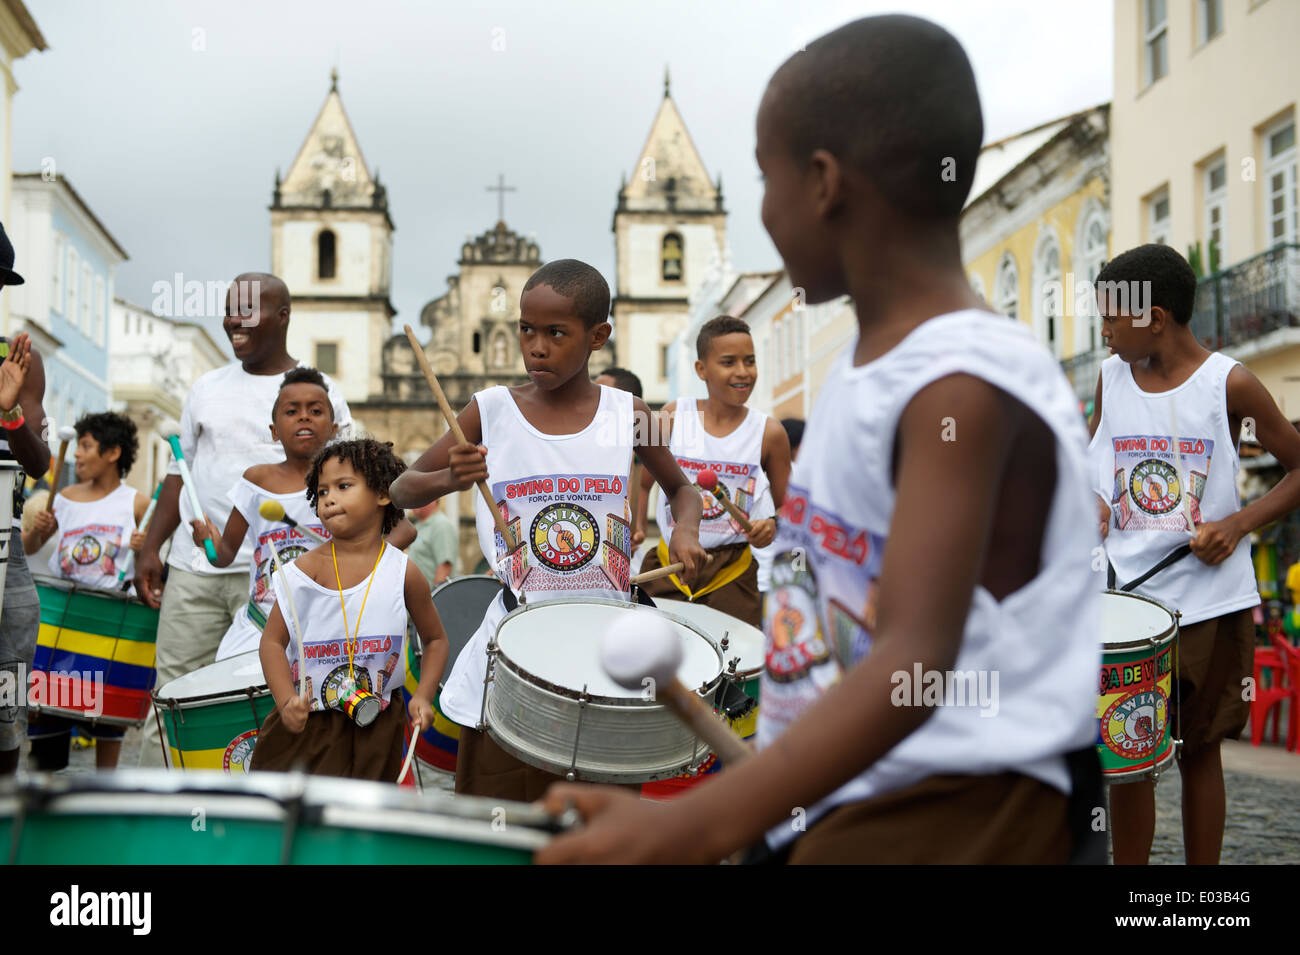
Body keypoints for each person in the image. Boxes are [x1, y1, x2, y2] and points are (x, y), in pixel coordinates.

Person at [538, 14, 1102, 864]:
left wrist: (692, 824)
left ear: (823, 182)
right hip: (855, 799)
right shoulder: (874, 368)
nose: (762, 210)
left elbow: (916, 659)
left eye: (766, 179)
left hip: (955, 814)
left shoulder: (961, 381)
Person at [390, 258, 708, 801]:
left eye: (556, 333)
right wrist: (450, 476)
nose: (536, 346)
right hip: (515, 640)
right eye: (526, 330)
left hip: (604, 639)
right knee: (500, 808)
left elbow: (683, 488)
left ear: (598, 336)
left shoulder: (630, 411)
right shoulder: (488, 410)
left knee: (603, 810)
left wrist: (687, 530)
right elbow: (401, 491)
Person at [1089, 244, 1300, 865]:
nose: (1103, 331)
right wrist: (1095, 502)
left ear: (1155, 318)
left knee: (1202, 752)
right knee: (1128, 760)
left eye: (1111, 317)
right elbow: (1096, 468)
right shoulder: (1110, 378)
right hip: (1129, 608)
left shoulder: (1228, 383)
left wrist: (1237, 524)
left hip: (1210, 603)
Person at [134, 274, 354, 767]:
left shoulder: (322, 391)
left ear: (283, 318)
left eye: (249, 311)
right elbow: (178, 473)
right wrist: (152, 548)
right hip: (198, 570)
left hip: (290, 586)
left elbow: (351, 480)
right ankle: (162, 808)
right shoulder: (207, 387)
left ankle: (257, 807)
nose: (234, 321)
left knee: (276, 703)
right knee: (173, 692)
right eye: (230, 309)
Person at [252, 439, 445, 779]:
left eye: (343, 486)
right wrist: (285, 703)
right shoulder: (299, 573)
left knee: (360, 821)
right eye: (321, 490)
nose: (329, 498)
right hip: (309, 726)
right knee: (299, 824)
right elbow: (271, 643)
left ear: (384, 494)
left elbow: (435, 640)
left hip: (378, 725)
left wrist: (424, 697)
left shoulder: (403, 572)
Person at [634, 316, 792, 627]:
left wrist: (773, 525)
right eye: (728, 362)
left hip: (731, 575)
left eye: (750, 361)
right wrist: (638, 525)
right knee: (655, 655)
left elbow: (791, 507)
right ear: (701, 370)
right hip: (671, 565)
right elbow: (644, 483)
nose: (743, 372)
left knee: (732, 664)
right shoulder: (674, 416)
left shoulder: (769, 432)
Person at [22, 412, 149, 770]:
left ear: (112, 453)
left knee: (109, 719)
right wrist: (36, 530)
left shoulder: (137, 504)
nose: (77, 455)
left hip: (111, 623)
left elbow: (148, 567)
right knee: (48, 714)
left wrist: (143, 546)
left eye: (86, 447)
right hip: (64, 619)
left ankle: (106, 794)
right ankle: (43, 792)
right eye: (76, 447)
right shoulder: (63, 497)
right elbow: (30, 548)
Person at [0, 225, 50, 777]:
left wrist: (9, 412)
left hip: (3, 538)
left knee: (11, 652)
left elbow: (37, 464)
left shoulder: (16, 357)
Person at [406, 498, 460, 587]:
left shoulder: (441, 525)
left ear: (433, 499)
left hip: (429, 598)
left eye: (418, 496)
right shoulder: (418, 526)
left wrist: (435, 598)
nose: (412, 502)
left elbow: (444, 568)